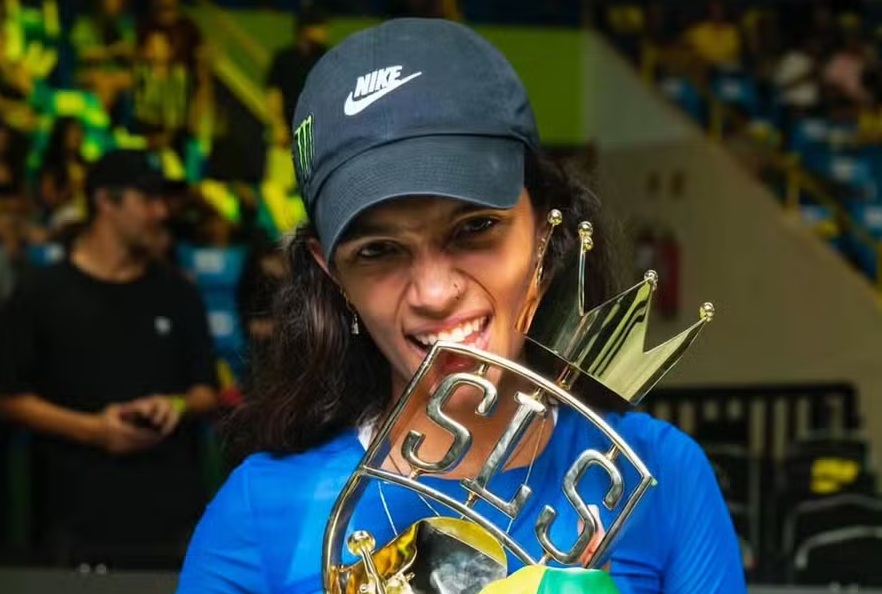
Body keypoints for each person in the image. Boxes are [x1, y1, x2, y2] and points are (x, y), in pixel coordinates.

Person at [176, 19, 746, 594]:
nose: (433, 292)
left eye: (474, 228)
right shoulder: (261, 515)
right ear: (334, 275)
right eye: (378, 251)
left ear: (546, 233)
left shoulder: (662, 478)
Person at [0, 149, 219, 569]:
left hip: (170, 521)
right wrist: (94, 431)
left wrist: (173, 405)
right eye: (147, 200)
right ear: (105, 202)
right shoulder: (40, 293)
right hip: (71, 520)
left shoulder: (178, 292)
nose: (161, 212)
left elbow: (206, 391)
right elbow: (10, 398)